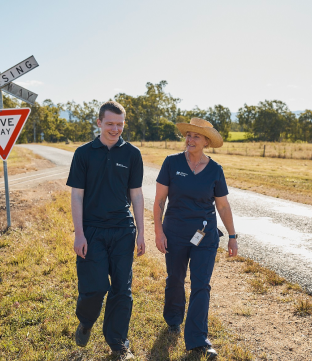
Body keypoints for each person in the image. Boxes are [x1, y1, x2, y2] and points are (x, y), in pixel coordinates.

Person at [153, 117, 238, 360]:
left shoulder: (215, 170)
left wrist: (232, 236)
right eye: (188, 135)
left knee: (201, 285)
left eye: (196, 136)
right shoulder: (171, 163)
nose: (190, 139)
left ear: (206, 142)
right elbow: (159, 201)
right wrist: (159, 232)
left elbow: (222, 206)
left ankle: (198, 339)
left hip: (205, 235)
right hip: (175, 233)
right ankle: (173, 319)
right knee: (176, 279)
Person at [66, 101, 145, 360]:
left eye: (120, 125)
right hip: (92, 230)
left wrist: (142, 232)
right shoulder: (84, 153)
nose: (115, 129)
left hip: (123, 229)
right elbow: (77, 196)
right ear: (99, 122)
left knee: (122, 289)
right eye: (110, 124)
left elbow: (136, 194)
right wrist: (79, 233)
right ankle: (86, 320)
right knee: (95, 287)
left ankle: (118, 342)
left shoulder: (132, 154)